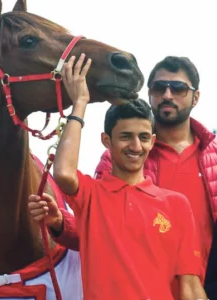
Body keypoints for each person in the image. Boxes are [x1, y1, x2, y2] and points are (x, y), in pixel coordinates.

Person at [29, 55, 217, 299]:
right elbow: (68, 180)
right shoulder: (94, 191)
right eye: (126, 136)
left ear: (152, 141)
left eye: (178, 88)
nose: (135, 145)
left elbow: (190, 286)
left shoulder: (177, 202)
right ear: (107, 141)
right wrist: (80, 101)